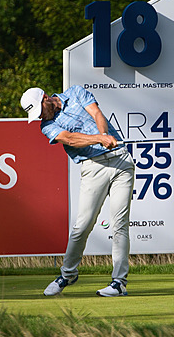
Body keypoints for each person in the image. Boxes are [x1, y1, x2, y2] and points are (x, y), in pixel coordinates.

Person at [20, 85, 135, 297]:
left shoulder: (76, 93)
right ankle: (68, 274)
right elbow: (71, 139)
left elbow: (96, 113)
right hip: (93, 167)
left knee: (120, 224)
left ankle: (119, 282)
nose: (40, 117)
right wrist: (101, 139)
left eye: (39, 111)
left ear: (46, 98)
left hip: (121, 161)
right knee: (82, 226)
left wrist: (103, 134)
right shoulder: (47, 126)